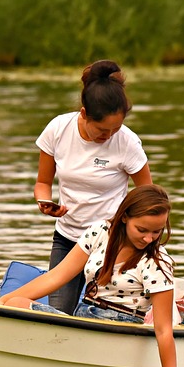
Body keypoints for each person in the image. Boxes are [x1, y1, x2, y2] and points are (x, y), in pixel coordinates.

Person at [0, 185, 184, 367]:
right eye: (142, 230)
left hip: (117, 331)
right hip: (83, 319)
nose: (148, 238)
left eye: (156, 231)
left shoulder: (158, 261)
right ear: (124, 218)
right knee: (16, 304)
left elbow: (163, 330)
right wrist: (1, 302)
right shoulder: (100, 232)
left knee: (17, 305)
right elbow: (56, 276)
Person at [33, 59, 153, 313]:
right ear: (84, 113)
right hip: (67, 238)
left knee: (103, 313)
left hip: (111, 244)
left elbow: (147, 198)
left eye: (116, 128)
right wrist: (45, 203)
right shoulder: (58, 129)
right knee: (59, 313)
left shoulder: (128, 142)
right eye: (102, 130)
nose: (108, 136)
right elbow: (43, 183)